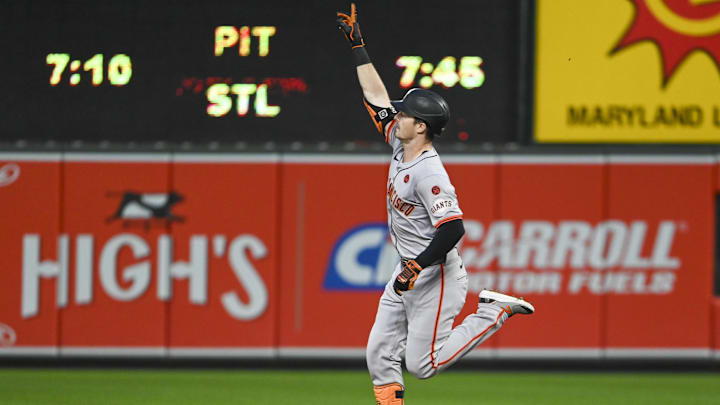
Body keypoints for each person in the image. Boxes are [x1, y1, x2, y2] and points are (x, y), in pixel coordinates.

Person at [336, 4, 536, 404]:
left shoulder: (430, 173)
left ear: (421, 126)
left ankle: (493, 311)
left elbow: (453, 229)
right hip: (409, 268)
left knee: (422, 364)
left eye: (407, 113)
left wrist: (415, 266)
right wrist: (359, 46)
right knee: (378, 354)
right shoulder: (400, 141)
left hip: (436, 275)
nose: (399, 113)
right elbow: (375, 96)